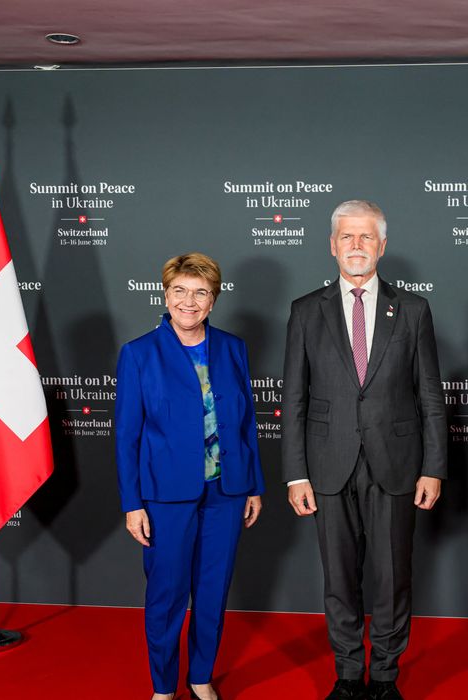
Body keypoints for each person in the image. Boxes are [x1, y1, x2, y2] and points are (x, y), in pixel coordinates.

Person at [282, 200, 447, 700]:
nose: (356, 246)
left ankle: (386, 676)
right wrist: (295, 474)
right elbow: (293, 398)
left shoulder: (413, 309)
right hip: (327, 466)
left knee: (393, 577)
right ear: (333, 245)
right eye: (347, 237)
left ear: (382, 245)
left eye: (366, 237)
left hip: (397, 465)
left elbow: (430, 396)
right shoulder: (305, 310)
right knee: (338, 581)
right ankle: (349, 674)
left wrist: (433, 467)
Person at [116, 252, 265, 700]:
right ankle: (164, 686)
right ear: (165, 294)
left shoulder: (233, 348)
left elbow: (246, 424)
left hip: (227, 491)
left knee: (213, 590)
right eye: (179, 291)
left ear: (213, 300)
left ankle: (200, 676)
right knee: (166, 594)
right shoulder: (139, 354)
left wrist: (253, 484)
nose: (189, 301)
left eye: (200, 293)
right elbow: (126, 436)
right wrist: (132, 502)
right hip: (164, 497)